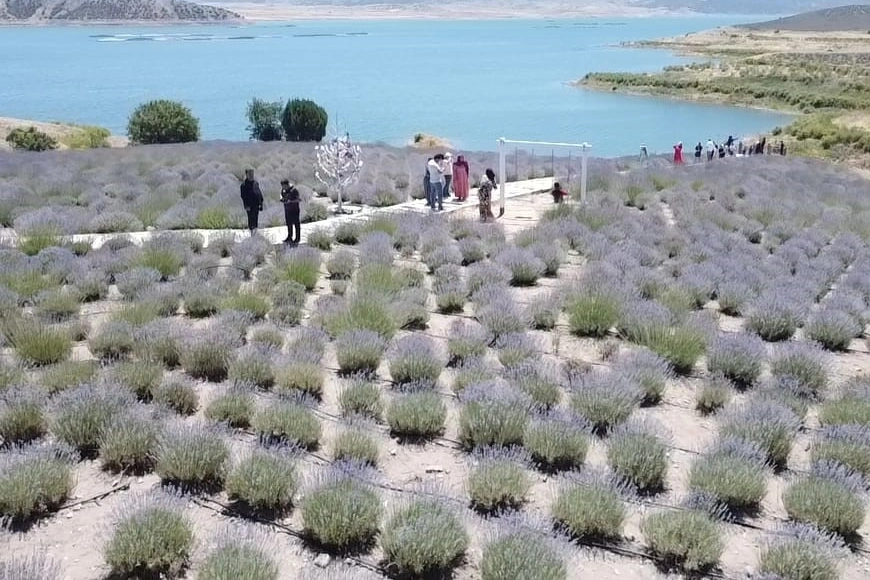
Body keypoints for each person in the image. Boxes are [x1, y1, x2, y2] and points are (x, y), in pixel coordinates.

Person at [240, 169, 263, 236]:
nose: (251, 175)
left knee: (255, 220)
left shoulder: (256, 183)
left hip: (256, 205)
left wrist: (261, 203)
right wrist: (246, 206)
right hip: (249, 206)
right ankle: (252, 235)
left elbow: (259, 193)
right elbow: (243, 196)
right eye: (249, 174)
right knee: (251, 220)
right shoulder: (243, 185)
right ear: (246, 174)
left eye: (252, 174)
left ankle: (255, 234)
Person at [280, 179, 301, 245]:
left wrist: (291, 201)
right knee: (289, 224)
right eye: (282, 186)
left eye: (284, 186)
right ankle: (290, 236)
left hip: (294, 209)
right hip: (287, 209)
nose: (283, 188)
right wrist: (282, 200)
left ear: (287, 185)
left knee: (296, 224)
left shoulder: (294, 190)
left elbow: (298, 200)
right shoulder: (283, 191)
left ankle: (297, 238)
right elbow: (282, 196)